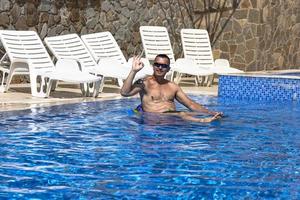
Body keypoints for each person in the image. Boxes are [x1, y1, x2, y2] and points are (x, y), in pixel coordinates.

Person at [120, 54, 223, 123]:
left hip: (171, 120)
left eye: (163, 66)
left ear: (168, 69)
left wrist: (211, 112)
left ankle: (209, 118)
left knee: (190, 113)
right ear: (153, 66)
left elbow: (190, 104)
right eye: (157, 64)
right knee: (182, 114)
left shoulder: (173, 86)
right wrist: (133, 71)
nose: (160, 68)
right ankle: (204, 122)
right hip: (154, 122)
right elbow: (124, 93)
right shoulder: (145, 83)